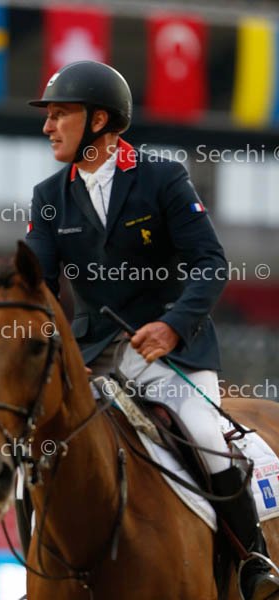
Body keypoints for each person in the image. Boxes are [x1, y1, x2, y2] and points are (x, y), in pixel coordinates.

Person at [26, 60, 279, 600]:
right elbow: (39, 287)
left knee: (207, 438)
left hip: (169, 353)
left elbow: (210, 262)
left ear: (99, 121)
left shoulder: (162, 178)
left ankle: (252, 561)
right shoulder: (49, 196)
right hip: (92, 356)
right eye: (48, 116)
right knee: (39, 449)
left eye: (60, 114)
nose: (48, 126)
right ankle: (42, 574)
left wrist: (171, 327)